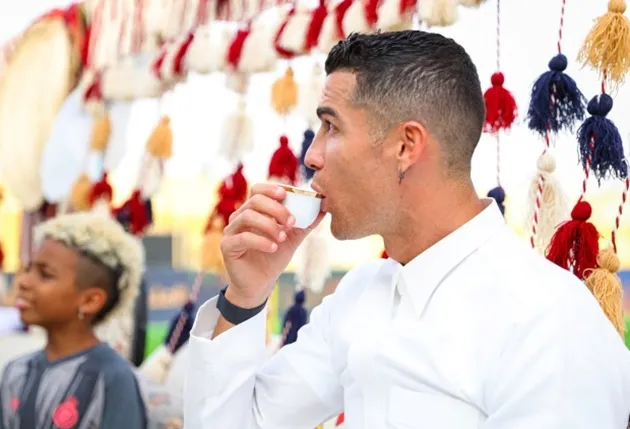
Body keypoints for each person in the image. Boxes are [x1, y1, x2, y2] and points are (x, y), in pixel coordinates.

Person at [183, 31, 630, 429]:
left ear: (405, 145)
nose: (312, 156)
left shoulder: (548, 323)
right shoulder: (361, 294)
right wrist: (245, 297)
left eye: (330, 126)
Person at [0, 212, 147, 429]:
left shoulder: (112, 378)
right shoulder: (16, 371)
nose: (23, 282)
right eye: (29, 269)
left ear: (90, 300)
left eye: (45, 274)